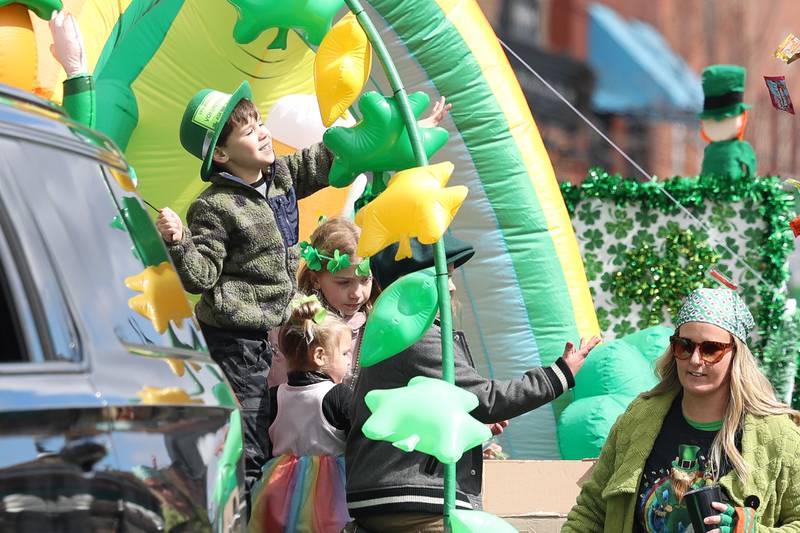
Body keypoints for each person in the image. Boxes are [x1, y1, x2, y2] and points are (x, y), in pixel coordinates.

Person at [344, 236, 600, 533]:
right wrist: (560, 374)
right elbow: (484, 399)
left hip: (392, 492)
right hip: (410, 496)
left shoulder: (399, 332)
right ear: (411, 286)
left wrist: (464, 421)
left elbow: (428, 405)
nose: (452, 287)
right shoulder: (417, 337)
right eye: (444, 277)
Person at [154, 81, 334, 498]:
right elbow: (199, 278)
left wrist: (383, 134)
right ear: (221, 154)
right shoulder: (213, 206)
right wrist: (179, 241)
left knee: (271, 438)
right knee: (247, 446)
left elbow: (324, 159)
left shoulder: (282, 176)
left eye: (260, 123)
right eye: (249, 131)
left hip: (274, 338)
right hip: (234, 343)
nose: (263, 133)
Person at [563, 288, 800, 533]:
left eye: (711, 349)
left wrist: (749, 530)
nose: (696, 360)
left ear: (736, 354)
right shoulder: (639, 418)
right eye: (684, 346)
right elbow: (591, 510)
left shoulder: (778, 435)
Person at [248, 296, 353, 533]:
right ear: (319, 356)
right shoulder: (337, 396)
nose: (349, 360)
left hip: (277, 489)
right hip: (331, 493)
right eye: (345, 353)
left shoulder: (274, 396)